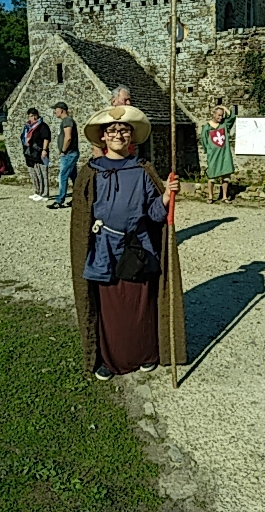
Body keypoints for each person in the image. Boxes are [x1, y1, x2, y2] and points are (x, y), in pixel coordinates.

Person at [70, 105, 187, 380]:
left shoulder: (142, 169)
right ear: (103, 136)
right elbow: (82, 218)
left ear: (131, 136)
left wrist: (166, 197)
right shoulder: (91, 172)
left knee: (139, 304)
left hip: (137, 245)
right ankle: (110, 360)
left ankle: (146, 354)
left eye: (123, 130)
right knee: (110, 307)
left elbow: (154, 214)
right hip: (103, 248)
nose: (118, 134)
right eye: (112, 130)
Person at [201, 105, 237, 204]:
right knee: (211, 176)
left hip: (224, 154)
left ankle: (224, 197)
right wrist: (209, 151)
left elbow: (232, 117)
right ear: (214, 114)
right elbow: (204, 141)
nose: (220, 117)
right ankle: (210, 196)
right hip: (213, 155)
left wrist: (223, 107)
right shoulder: (207, 127)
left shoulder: (224, 125)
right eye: (219, 115)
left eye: (222, 115)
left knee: (225, 176)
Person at [48, 101, 79, 210]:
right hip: (70, 154)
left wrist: (63, 151)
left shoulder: (67, 121)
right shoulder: (66, 121)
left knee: (63, 176)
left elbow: (68, 137)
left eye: (56, 109)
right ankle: (78, 199)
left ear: (61, 110)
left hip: (68, 154)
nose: (54, 112)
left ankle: (59, 201)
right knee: (75, 178)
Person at [91, 85, 133, 158]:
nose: (128, 103)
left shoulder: (131, 120)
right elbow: (97, 149)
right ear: (114, 101)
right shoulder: (105, 120)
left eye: (129, 100)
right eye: (125, 100)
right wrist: (105, 163)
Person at [21, 108, 51, 201]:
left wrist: (44, 150)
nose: (33, 118)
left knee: (42, 174)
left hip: (39, 153)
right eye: (31, 116)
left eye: (35, 115)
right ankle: (37, 191)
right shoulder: (27, 127)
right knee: (33, 174)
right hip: (29, 154)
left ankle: (44, 193)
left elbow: (46, 138)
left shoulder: (42, 126)